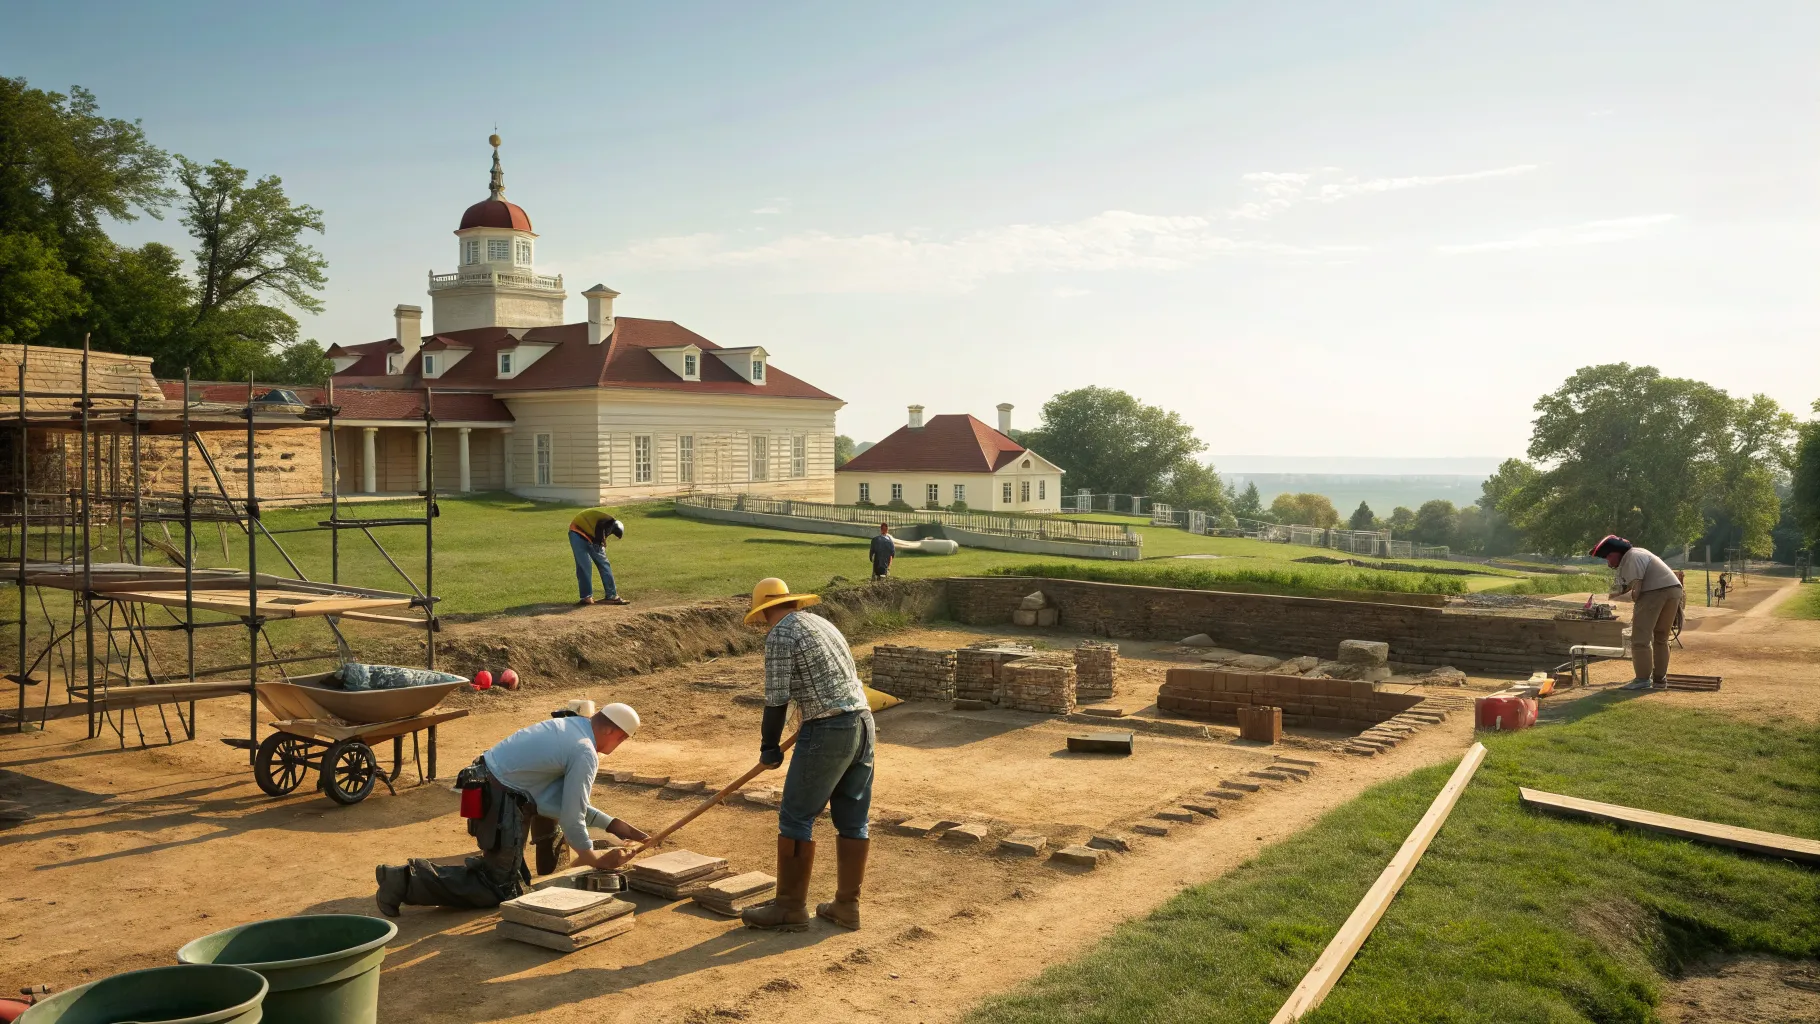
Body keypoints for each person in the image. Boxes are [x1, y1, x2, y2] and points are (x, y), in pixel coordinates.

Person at [374, 700, 650, 916]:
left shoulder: (572, 727)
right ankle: (402, 881)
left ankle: (415, 879)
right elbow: (571, 816)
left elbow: (562, 803)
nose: (619, 745)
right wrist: (594, 859)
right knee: (499, 887)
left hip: (492, 783)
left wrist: (613, 824)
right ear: (610, 730)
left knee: (515, 881)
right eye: (622, 738)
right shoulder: (584, 751)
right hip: (501, 795)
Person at [740, 578, 876, 932]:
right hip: (862, 723)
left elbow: (777, 697)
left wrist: (769, 746)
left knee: (796, 815)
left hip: (828, 728)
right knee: (853, 819)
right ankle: (847, 906)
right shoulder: (820, 623)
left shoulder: (781, 633)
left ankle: (789, 907)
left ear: (764, 611)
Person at [1591, 535, 1685, 688]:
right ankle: (1660, 680)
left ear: (1617, 552)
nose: (1608, 562)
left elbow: (1637, 591)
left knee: (1640, 639)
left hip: (1654, 592)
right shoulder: (1640, 553)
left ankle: (1642, 679)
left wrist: (1620, 599)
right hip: (1674, 590)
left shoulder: (1630, 557)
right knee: (1661, 638)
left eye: (1609, 557)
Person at [569, 507, 629, 606]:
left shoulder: (606, 522)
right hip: (576, 532)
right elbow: (598, 535)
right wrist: (601, 543)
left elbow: (599, 533)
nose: (610, 534)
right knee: (585, 565)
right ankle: (587, 597)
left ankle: (611, 595)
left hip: (585, 533)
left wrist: (602, 541)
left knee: (602, 564)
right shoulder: (606, 522)